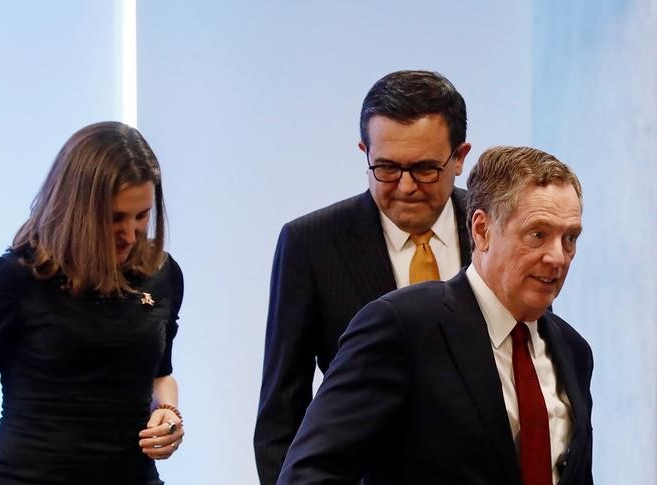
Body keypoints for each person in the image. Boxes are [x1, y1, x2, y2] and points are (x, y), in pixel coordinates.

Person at [278, 146, 593, 485]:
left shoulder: (574, 351)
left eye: (570, 238)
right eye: (538, 234)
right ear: (482, 230)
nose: (558, 258)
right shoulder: (401, 326)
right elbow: (309, 475)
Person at [254, 70, 473, 484]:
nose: (406, 187)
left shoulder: (494, 234)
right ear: (364, 152)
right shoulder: (311, 244)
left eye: (425, 169)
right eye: (387, 168)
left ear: (459, 157)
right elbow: (281, 414)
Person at [0, 121, 185, 485]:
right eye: (115, 218)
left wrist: (167, 412)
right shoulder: (12, 279)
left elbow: (160, 374)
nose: (131, 234)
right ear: (78, 209)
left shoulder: (163, 274)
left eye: (141, 216)